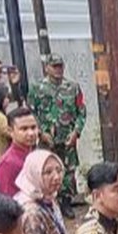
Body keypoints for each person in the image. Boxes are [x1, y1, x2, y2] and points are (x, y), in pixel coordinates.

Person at [28, 54, 86, 220]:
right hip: (47, 140)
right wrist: (40, 132)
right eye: (54, 66)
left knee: (67, 172)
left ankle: (66, 202)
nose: (58, 69)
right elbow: (31, 113)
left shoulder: (72, 87)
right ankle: (48, 204)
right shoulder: (37, 88)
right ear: (47, 68)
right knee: (46, 171)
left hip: (67, 138)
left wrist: (76, 132)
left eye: (60, 66)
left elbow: (81, 112)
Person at [0, 106, 38, 197]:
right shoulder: (8, 163)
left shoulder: (34, 155)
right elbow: (9, 201)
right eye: (24, 129)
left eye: (33, 127)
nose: (31, 133)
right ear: (10, 131)